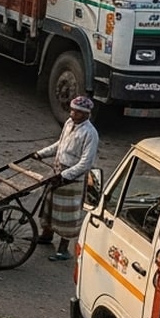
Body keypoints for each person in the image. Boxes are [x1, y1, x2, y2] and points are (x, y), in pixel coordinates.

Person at [35, 95, 101, 261]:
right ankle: (46, 236)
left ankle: (63, 249)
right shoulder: (69, 124)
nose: (73, 114)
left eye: (77, 112)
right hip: (58, 171)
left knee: (68, 215)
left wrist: (65, 175)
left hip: (73, 178)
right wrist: (41, 154)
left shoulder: (90, 134)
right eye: (72, 110)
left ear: (86, 115)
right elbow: (60, 144)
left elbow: (86, 163)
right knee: (50, 206)